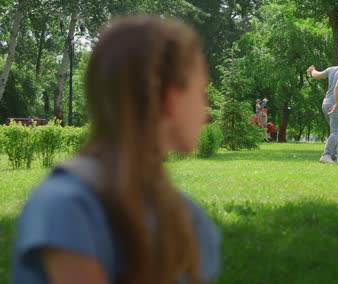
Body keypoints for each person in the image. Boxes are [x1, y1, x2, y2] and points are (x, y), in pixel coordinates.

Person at [12, 17, 221, 284]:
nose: (205, 113)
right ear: (170, 98)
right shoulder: (71, 208)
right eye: (201, 92)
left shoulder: (186, 216)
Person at [307, 50, 338, 163]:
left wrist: (312, 70)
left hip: (325, 103)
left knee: (333, 130)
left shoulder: (332, 69)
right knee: (336, 132)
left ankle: (333, 156)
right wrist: (337, 103)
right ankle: (326, 155)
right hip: (334, 104)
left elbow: (317, 75)